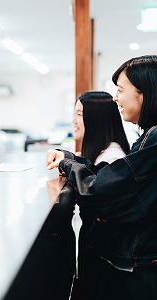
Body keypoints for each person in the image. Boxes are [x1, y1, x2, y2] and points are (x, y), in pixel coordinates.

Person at [46, 55, 157, 299]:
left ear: (145, 92)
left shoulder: (154, 137)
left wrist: (66, 162)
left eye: (120, 90)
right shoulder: (149, 136)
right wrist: (70, 158)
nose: (116, 97)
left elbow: (102, 189)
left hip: (144, 266)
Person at [70, 91, 131, 298]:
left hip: (105, 261)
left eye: (79, 114)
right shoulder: (100, 153)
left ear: (96, 119)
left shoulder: (112, 158)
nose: (73, 121)